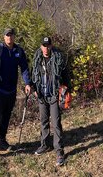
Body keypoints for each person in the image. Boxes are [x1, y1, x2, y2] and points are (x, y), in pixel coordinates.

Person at [0, 28, 32, 162]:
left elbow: (24, 68)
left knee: (6, 116)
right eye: (7, 35)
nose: (9, 37)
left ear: (14, 37)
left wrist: (27, 83)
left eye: (11, 35)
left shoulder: (18, 51)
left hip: (11, 91)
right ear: (4, 37)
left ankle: (2, 140)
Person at [31, 36, 72, 166]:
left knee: (56, 123)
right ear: (40, 46)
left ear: (51, 45)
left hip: (54, 95)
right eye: (43, 45)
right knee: (43, 121)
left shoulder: (59, 58)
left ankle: (59, 152)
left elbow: (66, 76)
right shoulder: (37, 58)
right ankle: (45, 145)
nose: (46, 48)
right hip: (42, 95)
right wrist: (32, 88)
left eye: (48, 45)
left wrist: (66, 91)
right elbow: (33, 75)